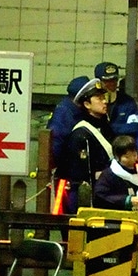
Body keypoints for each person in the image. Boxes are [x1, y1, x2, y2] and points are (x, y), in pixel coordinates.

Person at [56, 79, 115, 215]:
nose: (104, 101)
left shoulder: (106, 126)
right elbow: (81, 175)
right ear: (87, 104)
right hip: (87, 195)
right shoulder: (80, 134)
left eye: (104, 97)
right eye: (99, 98)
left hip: (105, 192)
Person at [92, 137, 138, 211]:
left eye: (134, 155)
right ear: (117, 157)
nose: (132, 159)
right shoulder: (108, 175)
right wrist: (127, 200)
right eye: (127, 157)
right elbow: (100, 196)